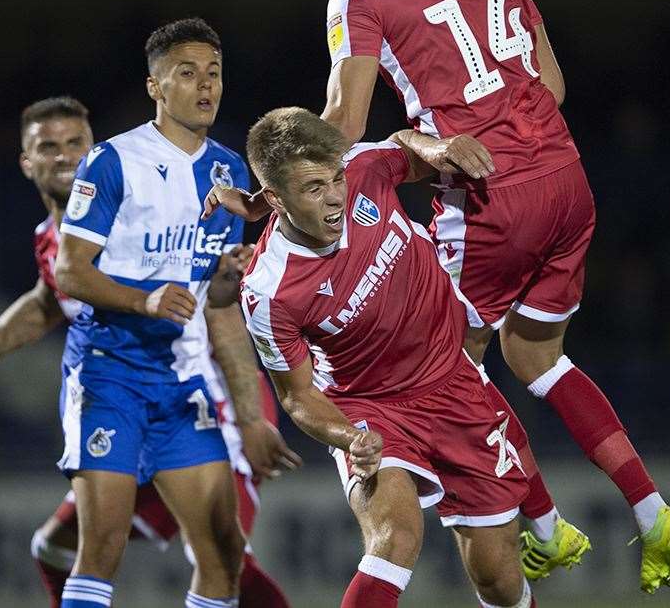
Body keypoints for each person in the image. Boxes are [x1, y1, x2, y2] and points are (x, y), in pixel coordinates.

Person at [316, 0, 670, 593]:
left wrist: (279, 164)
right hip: (566, 178)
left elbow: (343, 124)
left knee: (443, 371)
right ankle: (655, 514)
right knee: (537, 358)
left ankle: (549, 529)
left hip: (492, 200)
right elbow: (550, 83)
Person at [0, 94, 295, 608]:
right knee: (54, 547)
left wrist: (250, 416)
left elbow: (219, 313)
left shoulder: (148, 213)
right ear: (26, 163)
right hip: (121, 398)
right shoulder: (57, 238)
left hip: (204, 403)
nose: (65, 156)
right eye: (48, 147)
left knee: (226, 559)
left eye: (76, 143)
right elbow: (50, 301)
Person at [221, 107, 537, 608]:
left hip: (453, 380)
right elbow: (298, 396)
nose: (333, 199)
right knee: (396, 535)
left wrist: (437, 148)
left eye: (336, 179)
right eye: (313, 189)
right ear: (274, 200)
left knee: (498, 578)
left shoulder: (366, 170)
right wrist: (351, 437)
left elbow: (405, 149)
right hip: (369, 406)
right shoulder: (269, 291)